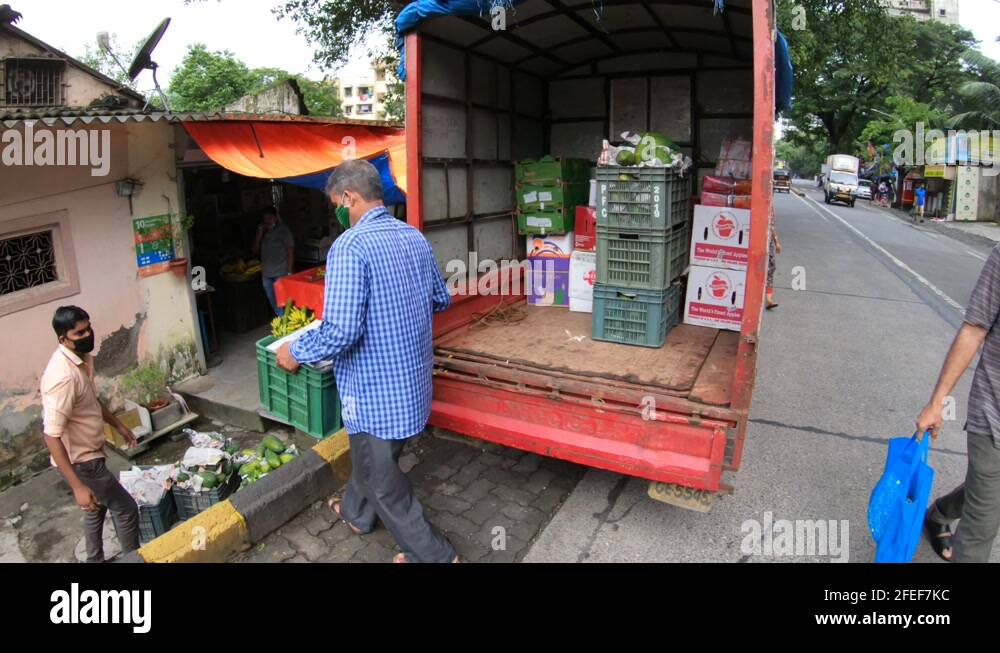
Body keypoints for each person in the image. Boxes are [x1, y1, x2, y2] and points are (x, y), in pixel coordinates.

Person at [275, 160, 458, 564]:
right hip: (412, 384)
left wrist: (294, 350)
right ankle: (357, 515)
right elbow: (440, 300)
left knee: (384, 483)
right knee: (374, 460)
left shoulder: (350, 246)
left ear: (348, 198)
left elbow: (340, 331)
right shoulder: (412, 236)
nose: (337, 214)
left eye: (335, 205)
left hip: (375, 395)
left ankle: (436, 556)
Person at [917, 246, 1000, 562]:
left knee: (986, 492)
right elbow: (974, 329)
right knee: (981, 528)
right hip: (993, 414)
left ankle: (939, 514)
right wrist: (936, 402)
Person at [40, 306, 140, 563]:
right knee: (126, 509)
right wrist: (77, 487)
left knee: (96, 508)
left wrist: (117, 425)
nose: (88, 334)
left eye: (88, 328)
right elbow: (51, 436)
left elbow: (89, 400)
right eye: (79, 332)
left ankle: (94, 560)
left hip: (91, 453)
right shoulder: (63, 377)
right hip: (83, 462)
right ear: (63, 338)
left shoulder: (80, 359)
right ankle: (133, 560)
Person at [254, 208, 295, 316]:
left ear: (275, 218)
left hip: (280, 272)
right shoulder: (263, 232)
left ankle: (286, 321)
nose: (267, 221)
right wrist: (259, 234)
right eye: (265, 219)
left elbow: (290, 251)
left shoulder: (283, 230)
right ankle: (281, 319)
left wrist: (289, 272)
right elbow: (254, 250)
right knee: (273, 300)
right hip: (266, 274)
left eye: (270, 218)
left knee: (284, 300)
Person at [765, 221, 782, 310]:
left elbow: (772, 227)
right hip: (757, 245)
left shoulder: (769, 209)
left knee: (770, 271)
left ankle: (769, 300)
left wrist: (776, 242)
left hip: (769, 247)